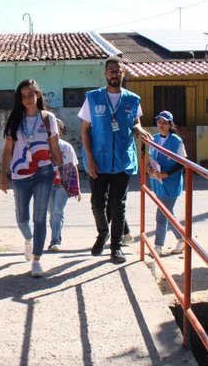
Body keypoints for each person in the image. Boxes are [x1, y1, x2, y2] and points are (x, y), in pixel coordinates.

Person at [79, 56, 151, 264]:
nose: (114, 74)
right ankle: (103, 233)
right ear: (105, 73)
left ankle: (116, 248)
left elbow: (135, 123)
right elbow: (84, 130)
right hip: (98, 161)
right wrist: (90, 159)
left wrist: (138, 129)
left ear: (123, 73)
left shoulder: (132, 99)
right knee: (97, 203)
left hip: (122, 160)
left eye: (118, 71)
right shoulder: (93, 98)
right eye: (111, 71)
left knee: (118, 205)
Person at [0, 79, 63, 278]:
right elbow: (8, 149)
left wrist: (61, 170)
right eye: (23, 96)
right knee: (22, 219)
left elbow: (54, 146)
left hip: (44, 172)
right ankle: (29, 239)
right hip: (20, 175)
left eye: (30, 95)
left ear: (37, 95)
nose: (27, 99)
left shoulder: (48, 118)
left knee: (40, 217)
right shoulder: (15, 119)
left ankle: (36, 260)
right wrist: (2, 175)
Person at [147, 110, 187, 257]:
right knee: (168, 214)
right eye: (159, 122)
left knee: (162, 215)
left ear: (170, 124)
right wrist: (149, 168)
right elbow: (151, 158)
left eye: (164, 122)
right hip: (157, 182)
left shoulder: (176, 141)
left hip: (171, 182)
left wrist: (166, 174)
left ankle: (158, 246)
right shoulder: (155, 138)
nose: (161, 125)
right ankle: (182, 238)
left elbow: (182, 163)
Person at [47, 119, 82, 252]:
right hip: (47, 185)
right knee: (52, 213)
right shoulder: (43, 147)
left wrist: (77, 188)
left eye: (56, 129)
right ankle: (55, 238)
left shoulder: (67, 147)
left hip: (63, 185)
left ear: (60, 132)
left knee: (58, 211)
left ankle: (55, 241)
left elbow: (73, 167)